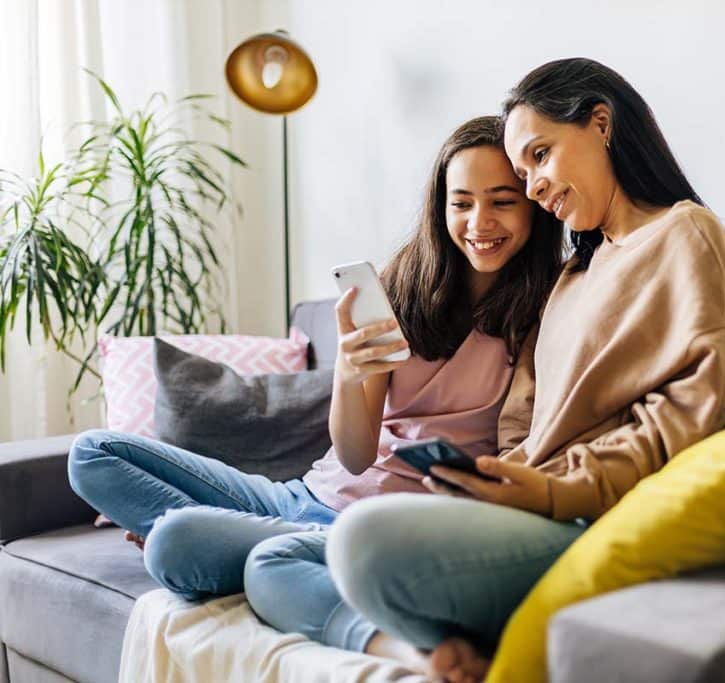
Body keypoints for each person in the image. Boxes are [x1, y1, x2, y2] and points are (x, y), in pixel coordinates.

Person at [66, 115, 563, 667]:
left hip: (384, 530)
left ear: (534, 207)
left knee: (172, 544)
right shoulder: (400, 286)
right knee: (91, 454)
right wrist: (350, 374)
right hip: (303, 499)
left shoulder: (548, 310)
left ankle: (277, 561)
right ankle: (258, 540)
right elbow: (352, 456)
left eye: (502, 202)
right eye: (462, 202)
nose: (479, 222)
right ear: (439, 206)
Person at [324, 57, 725, 682]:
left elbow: (683, 417)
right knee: (288, 555)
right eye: (523, 173)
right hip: (524, 505)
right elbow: (524, 420)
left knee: (358, 543)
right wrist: (498, 477)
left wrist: (553, 490)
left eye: (539, 157)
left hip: (580, 513)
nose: (533, 188)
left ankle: (426, 638)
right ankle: (438, 639)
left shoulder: (685, 234)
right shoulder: (577, 272)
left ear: (600, 124)